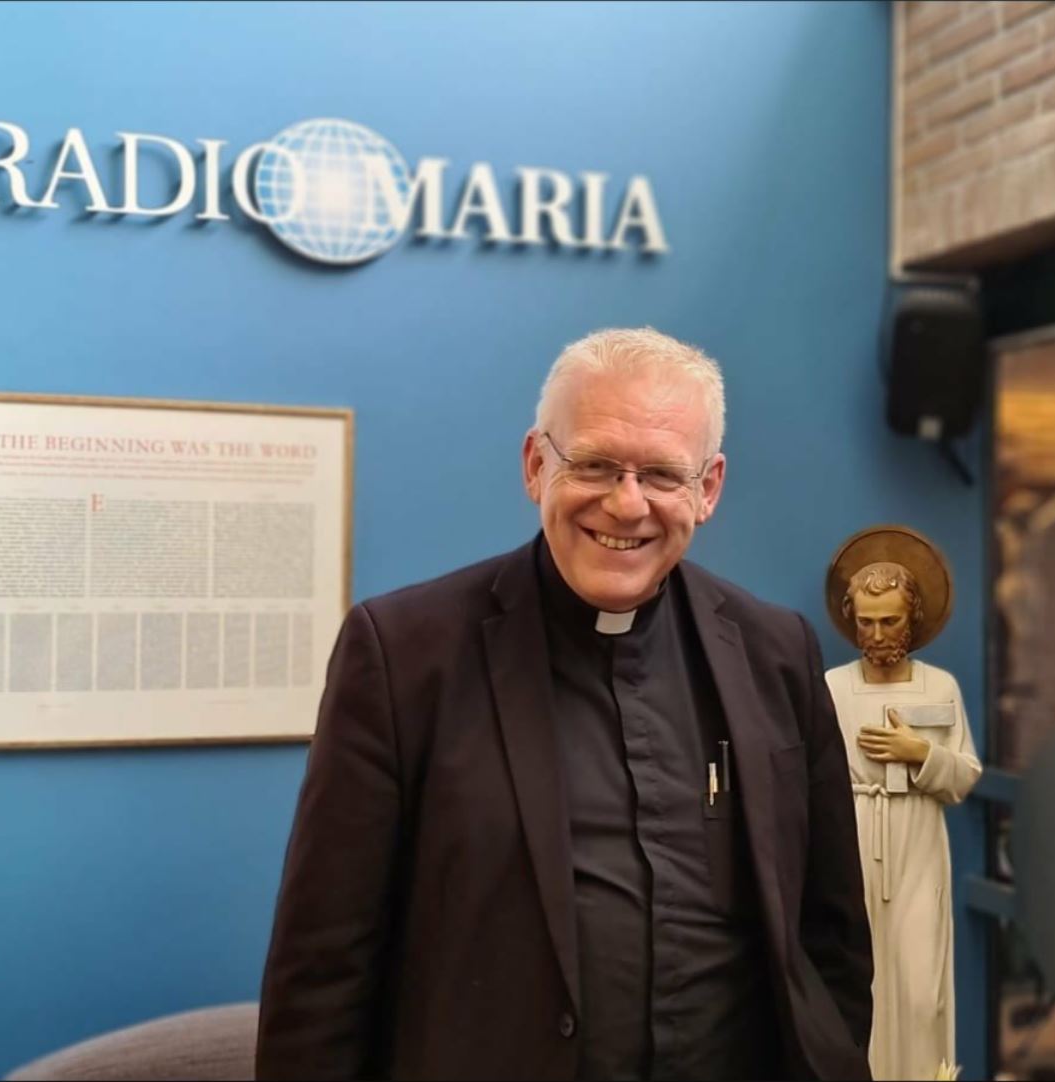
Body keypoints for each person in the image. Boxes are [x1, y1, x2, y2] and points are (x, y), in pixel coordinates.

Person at [258, 328, 873, 1080]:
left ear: (707, 488)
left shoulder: (775, 651)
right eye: (594, 465)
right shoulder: (404, 656)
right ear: (535, 465)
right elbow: (323, 967)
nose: (626, 504)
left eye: (661, 474)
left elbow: (833, 937)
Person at [821, 530, 981, 1081]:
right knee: (854, 979)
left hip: (917, 840)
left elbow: (964, 777)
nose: (876, 634)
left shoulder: (939, 687)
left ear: (911, 618)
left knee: (918, 990)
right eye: (866, 622)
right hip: (852, 836)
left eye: (889, 620)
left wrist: (921, 755)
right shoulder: (833, 687)